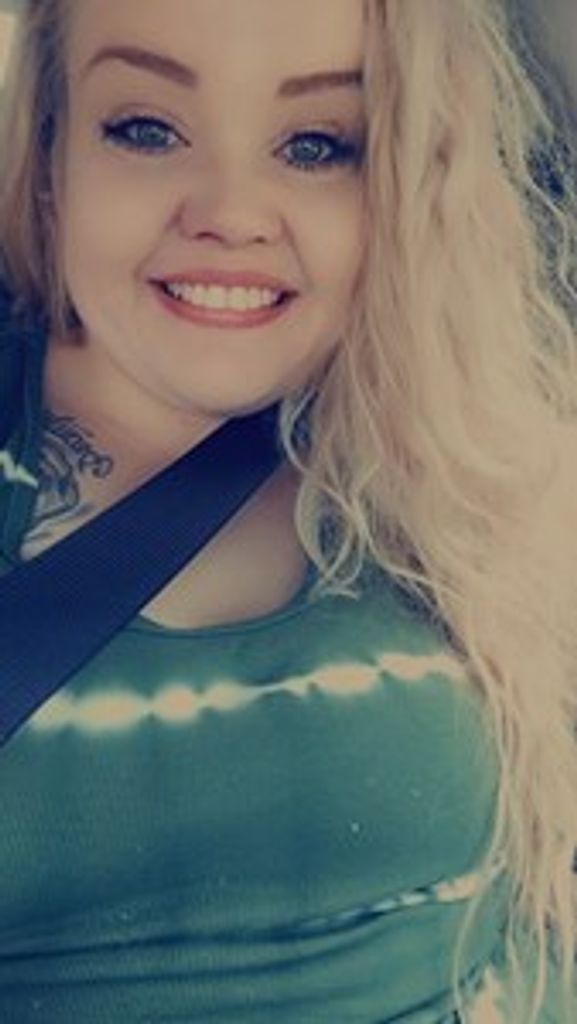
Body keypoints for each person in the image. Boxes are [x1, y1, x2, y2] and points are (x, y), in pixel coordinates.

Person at [0, 0, 576, 1021]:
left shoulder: (477, 472)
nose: (231, 212)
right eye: (147, 129)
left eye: (315, 145)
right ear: (50, 158)